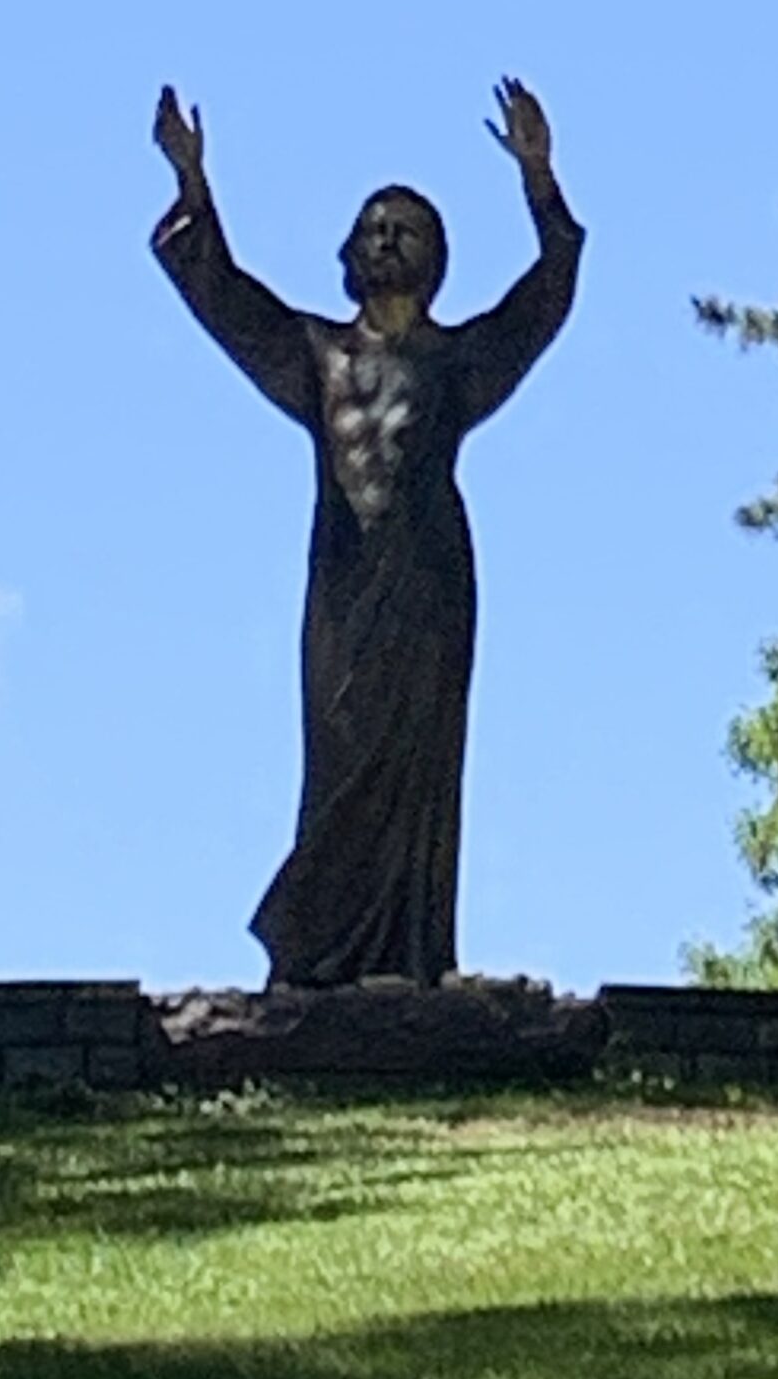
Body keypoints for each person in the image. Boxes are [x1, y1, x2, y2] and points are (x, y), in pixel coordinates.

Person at [151, 78, 583, 985]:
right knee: (341, 757)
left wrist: (539, 179)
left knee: (421, 771)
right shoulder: (316, 355)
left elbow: (543, 297)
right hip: (346, 589)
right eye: (374, 228)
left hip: (430, 586)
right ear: (349, 253)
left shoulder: (458, 361)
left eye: (408, 230)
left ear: (437, 259)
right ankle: (315, 959)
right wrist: (195, 186)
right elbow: (226, 295)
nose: (388, 240)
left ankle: (414, 963)